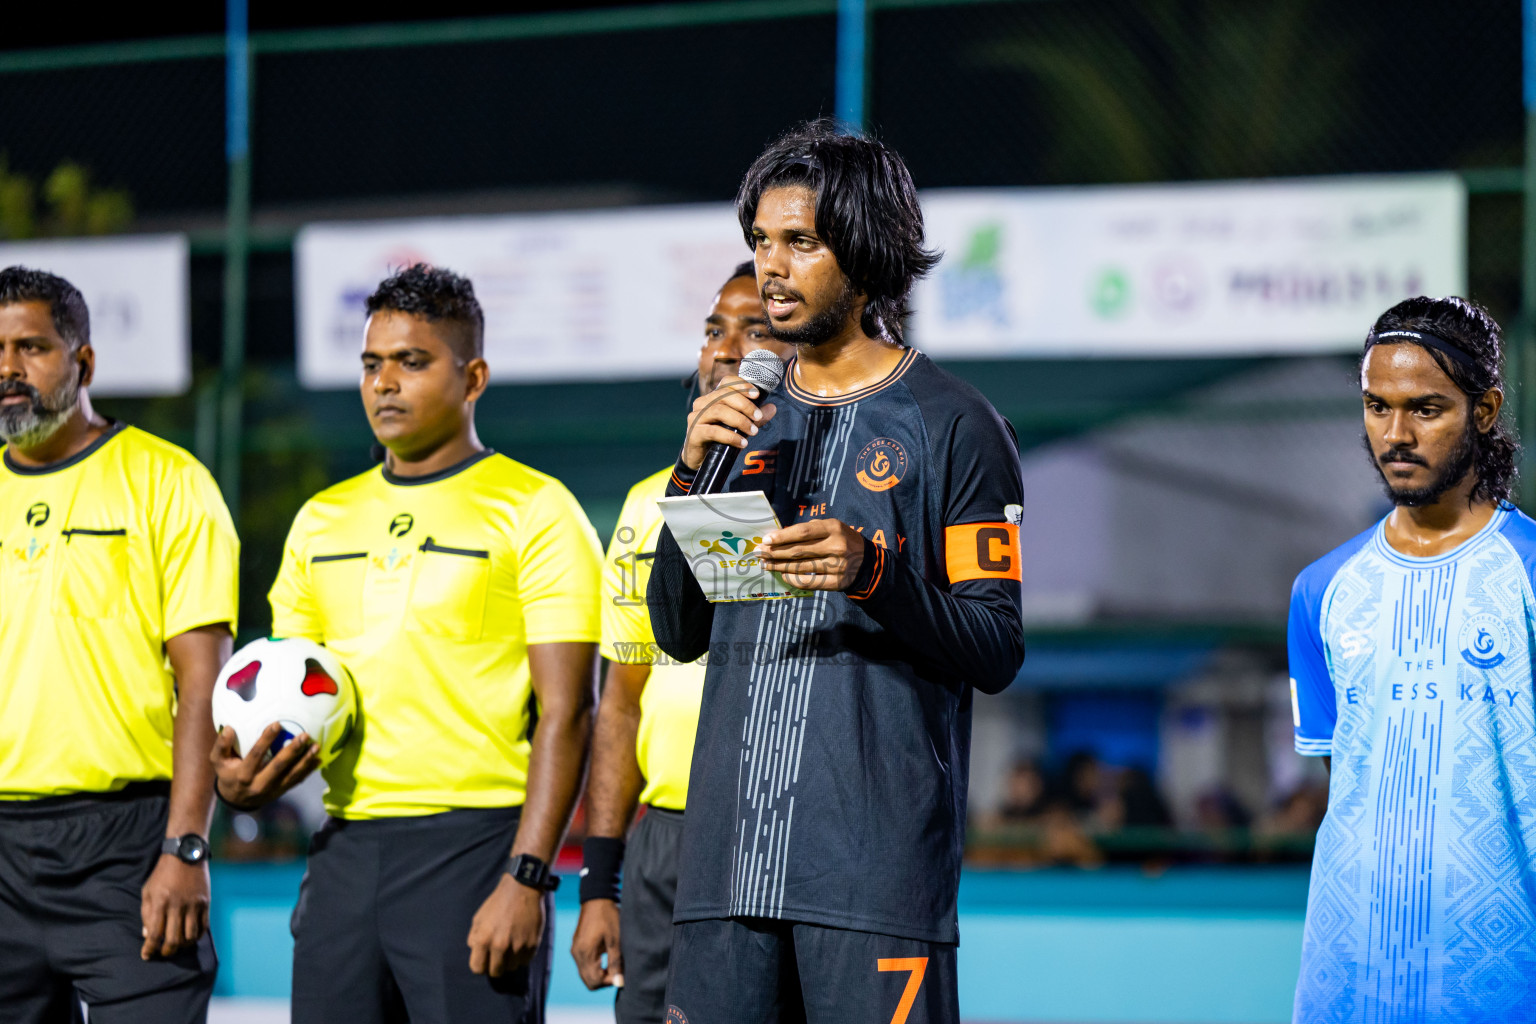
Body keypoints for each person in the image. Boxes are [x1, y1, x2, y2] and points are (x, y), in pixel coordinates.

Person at [648, 122, 1026, 1023]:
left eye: (799, 242)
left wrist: (873, 572)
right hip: (724, 874)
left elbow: (996, 645)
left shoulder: (953, 425)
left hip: (872, 882)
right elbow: (677, 629)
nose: (771, 267)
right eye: (760, 242)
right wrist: (686, 467)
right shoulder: (744, 412)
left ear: (863, 252)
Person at [211, 264, 602, 1024]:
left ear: (473, 376)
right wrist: (239, 774)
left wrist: (529, 876)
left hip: (477, 847)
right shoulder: (321, 519)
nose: (384, 383)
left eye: (412, 361)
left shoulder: (536, 509)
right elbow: (281, 689)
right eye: (371, 364)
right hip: (345, 849)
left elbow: (570, 713)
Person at [1289, 296, 1536, 1024]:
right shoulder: (1321, 591)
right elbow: (1346, 783)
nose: (1395, 434)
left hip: (1504, 984)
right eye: (1376, 406)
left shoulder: (1528, 576)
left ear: (1485, 410)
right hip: (1345, 982)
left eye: (1426, 409)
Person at [0, 266, 237, 1022]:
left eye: (31, 347)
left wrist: (186, 847)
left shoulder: (169, 481)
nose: (8, 369)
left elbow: (204, 685)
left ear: (85, 363)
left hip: (127, 847)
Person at [570, 261, 793, 1024]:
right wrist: (600, 882)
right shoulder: (647, 501)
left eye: (753, 330)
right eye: (712, 330)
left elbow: (746, 664)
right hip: (660, 838)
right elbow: (621, 700)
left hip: (756, 825)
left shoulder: (799, 482)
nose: (726, 350)